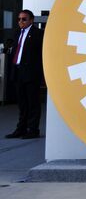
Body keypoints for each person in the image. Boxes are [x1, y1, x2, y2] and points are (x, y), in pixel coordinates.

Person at [5, 9, 43, 139]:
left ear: (31, 20)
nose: (21, 21)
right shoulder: (17, 33)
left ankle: (33, 129)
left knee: (33, 102)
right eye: (19, 19)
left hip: (31, 73)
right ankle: (21, 128)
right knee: (22, 103)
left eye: (24, 19)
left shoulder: (38, 34)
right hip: (18, 71)